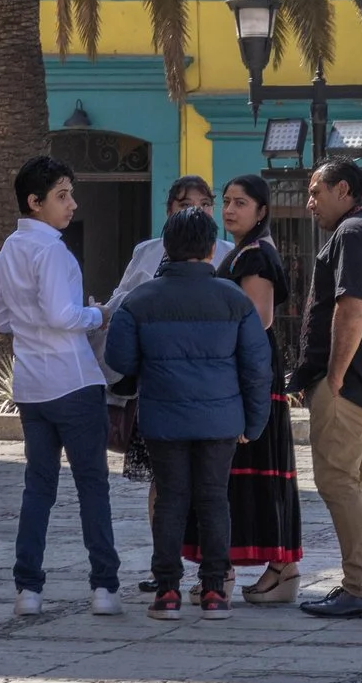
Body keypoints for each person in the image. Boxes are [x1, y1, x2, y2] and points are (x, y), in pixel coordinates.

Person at [104, 209, 271, 619]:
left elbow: (119, 358)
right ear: (212, 249)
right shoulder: (235, 300)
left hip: (163, 420)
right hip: (221, 420)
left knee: (171, 500)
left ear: (168, 248)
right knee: (214, 499)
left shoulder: (140, 301)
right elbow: (256, 366)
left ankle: (166, 592)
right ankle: (215, 591)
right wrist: (254, 422)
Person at [0, 154, 123, 617]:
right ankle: (104, 586)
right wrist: (100, 313)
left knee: (38, 486)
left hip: (30, 384)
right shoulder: (51, 250)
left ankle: (28, 589)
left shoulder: (9, 249)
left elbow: (2, 318)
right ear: (34, 202)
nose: (72, 204)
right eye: (62, 196)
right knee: (92, 484)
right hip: (71, 378)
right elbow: (62, 316)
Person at [287, 158, 362, 619]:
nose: (309, 203)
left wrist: (333, 376)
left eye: (316, 192)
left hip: (350, 385)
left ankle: (360, 586)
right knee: (361, 480)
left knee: (337, 480)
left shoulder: (353, 234)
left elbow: (351, 308)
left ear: (343, 189)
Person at [186, 174, 302, 602]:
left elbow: (259, 317)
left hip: (246, 375)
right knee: (236, 475)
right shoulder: (243, 252)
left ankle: (257, 569)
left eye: (240, 203)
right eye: (227, 201)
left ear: (262, 211)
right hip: (242, 371)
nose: (230, 210)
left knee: (242, 472)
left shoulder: (255, 255)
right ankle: (270, 568)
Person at [105, 174, 221, 590]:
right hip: (162, 392)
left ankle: (213, 575)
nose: (194, 210)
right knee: (167, 485)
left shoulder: (227, 255)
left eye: (203, 203)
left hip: (203, 393)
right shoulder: (146, 253)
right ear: (168, 210)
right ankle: (167, 570)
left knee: (209, 490)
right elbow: (121, 303)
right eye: (183, 203)